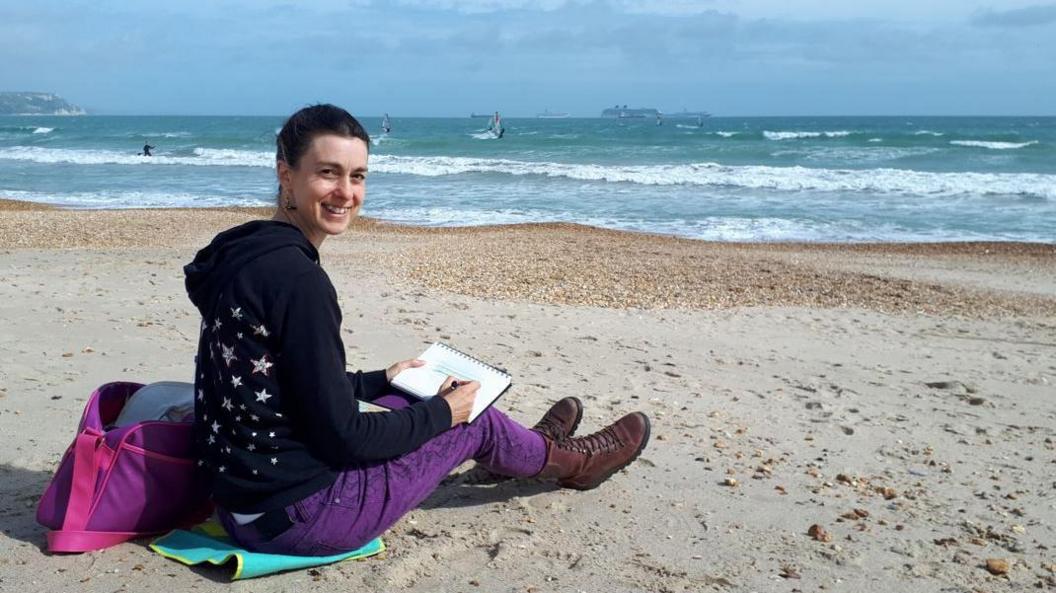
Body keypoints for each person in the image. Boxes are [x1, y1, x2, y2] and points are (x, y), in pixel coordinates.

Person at [184, 104, 650, 557]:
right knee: (471, 416)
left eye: (358, 176)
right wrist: (446, 414)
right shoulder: (300, 282)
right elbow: (342, 439)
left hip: (243, 500)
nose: (345, 192)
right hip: (299, 517)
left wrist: (378, 380)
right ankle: (575, 463)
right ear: (286, 173)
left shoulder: (246, 254)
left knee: (408, 394)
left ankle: (529, 448)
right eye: (328, 173)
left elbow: (279, 384)